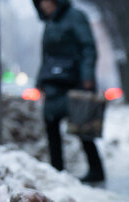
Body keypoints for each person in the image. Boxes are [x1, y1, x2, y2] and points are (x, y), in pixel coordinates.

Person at [33, 0, 105, 183]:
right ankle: (57, 170)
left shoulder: (75, 17)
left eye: (46, 1)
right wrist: (40, 80)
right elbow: (46, 56)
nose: (43, 5)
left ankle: (96, 170)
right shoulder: (50, 23)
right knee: (51, 123)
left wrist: (87, 76)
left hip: (76, 81)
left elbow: (88, 47)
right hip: (54, 83)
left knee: (83, 127)